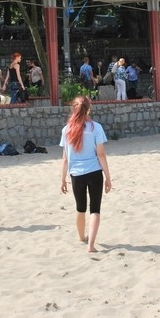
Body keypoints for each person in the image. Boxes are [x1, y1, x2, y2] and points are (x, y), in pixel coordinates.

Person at [60, 96, 112, 253]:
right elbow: (101, 155)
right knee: (95, 209)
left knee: (80, 208)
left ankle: (82, 237)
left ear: (73, 109)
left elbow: (65, 159)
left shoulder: (66, 130)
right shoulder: (95, 127)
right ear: (88, 109)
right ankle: (91, 245)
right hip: (95, 172)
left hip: (76, 174)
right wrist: (108, 177)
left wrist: (62, 179)